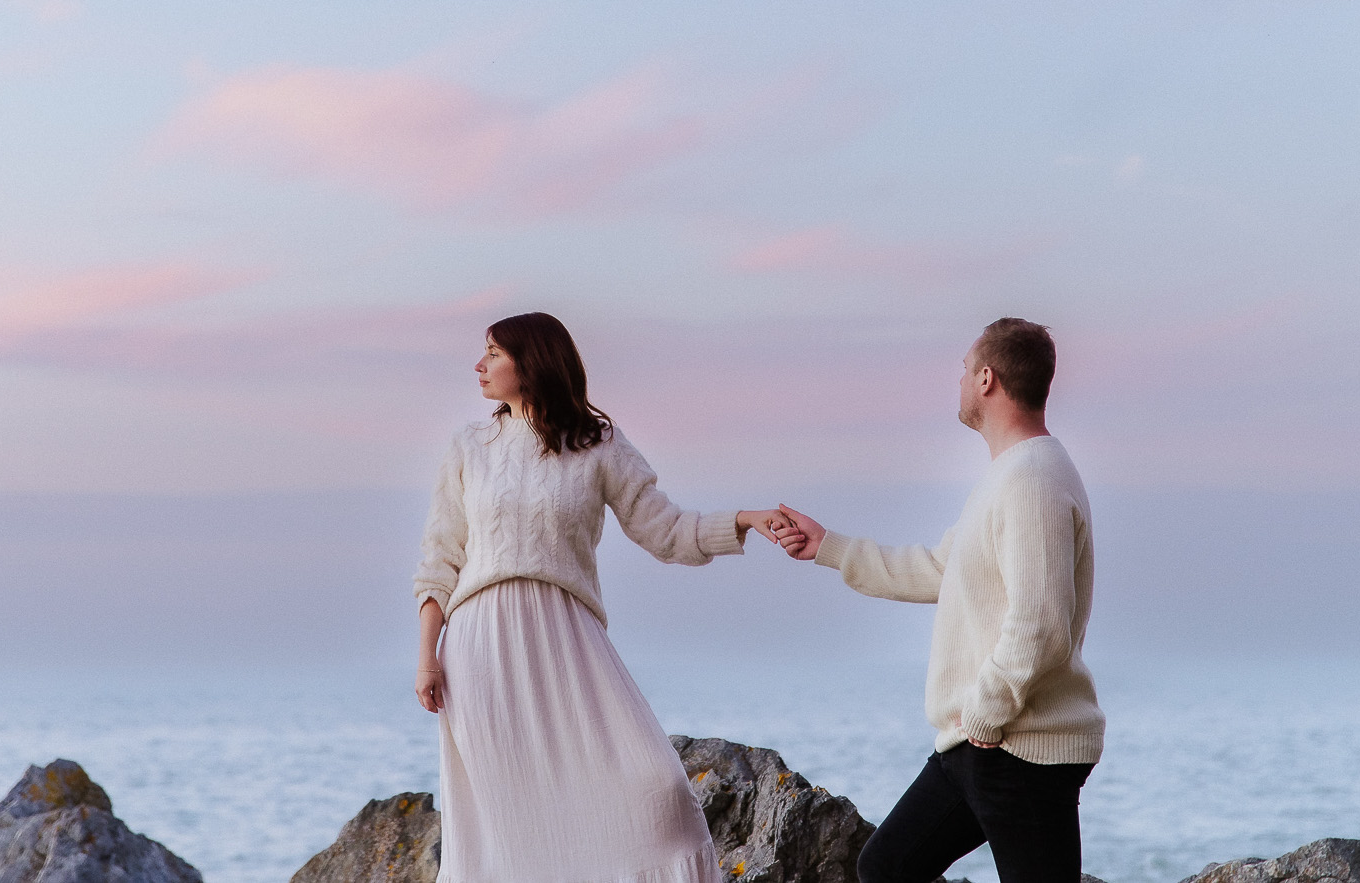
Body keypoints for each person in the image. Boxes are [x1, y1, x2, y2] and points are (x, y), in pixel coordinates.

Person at [412, 311, 793, 883]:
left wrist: (743, 520)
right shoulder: (470, 446)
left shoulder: (598, 443)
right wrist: (427, 656)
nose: (479, 364)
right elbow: (440, 561)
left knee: (657, 791)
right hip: (481, 647)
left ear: (534, 359)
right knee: (509, 829)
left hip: (569, 642)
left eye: (493, 352)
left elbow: (665, 531)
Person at [772, 318, 1103, 883]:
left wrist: (984, 711)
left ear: (986, 379)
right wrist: (827, 546)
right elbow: (938, 570)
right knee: (886, 866)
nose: (957, 383)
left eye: (962, 371)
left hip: (1020, 748)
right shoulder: (1006, 477)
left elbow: (1041, 621)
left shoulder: (1035, 479)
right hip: (978, 746)